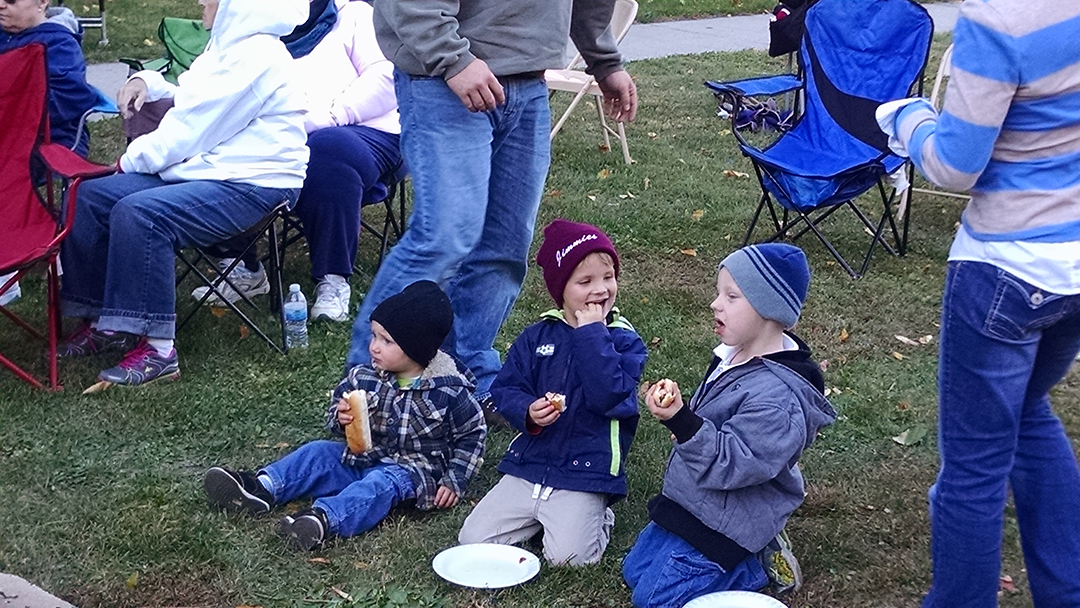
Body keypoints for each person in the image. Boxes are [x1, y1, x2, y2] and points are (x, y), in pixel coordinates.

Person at [875, 2, 1080, 605]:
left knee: (973, 470)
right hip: (1074, 266)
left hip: (1009, 273)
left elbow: (954, 166)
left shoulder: (999, 18)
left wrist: (907, 116)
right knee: (1027, 413)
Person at [344, 0, 639, 402]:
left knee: (504, 247)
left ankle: (464, 369)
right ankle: (367, 383)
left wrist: (604, 60)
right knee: (443, 239)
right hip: (445, 81)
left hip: (529, 84)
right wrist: (453, 59)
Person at [56, 0, 310, 386]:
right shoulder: (228, 46)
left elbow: (189, 131)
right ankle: (105, 323)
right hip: (212, 170)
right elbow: (191, 97)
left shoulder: (257, 57)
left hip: (256, 181)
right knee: (89, 196)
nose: (201, 2)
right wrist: (148, 81)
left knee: (142, 214)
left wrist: (129, 161)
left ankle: (160, 351)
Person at [621, 243, 836, 607]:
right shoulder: (735, 354)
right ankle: (737, 560)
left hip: (730, 520)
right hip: (693, 501)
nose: (715, 304)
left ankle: (752, 565)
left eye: (731, 296)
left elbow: (732, 463)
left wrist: (683, 421)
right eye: (719, 292)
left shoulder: (778, 401)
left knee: (653, 599)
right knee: (634, 571)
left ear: (769, 309)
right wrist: (682, 415)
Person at [203, 280, 487, 550]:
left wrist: (454, 479)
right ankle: (261, 488)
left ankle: (322, 520)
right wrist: (340, 418)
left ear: (417, 348)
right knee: (318, 452)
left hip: (410, 473)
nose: (374, 346)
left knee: (378, 485)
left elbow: (472, 435)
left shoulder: (449, 391)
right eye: (374, 335)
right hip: (361, 458)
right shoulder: (362, 377)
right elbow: (335, 415)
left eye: (386, 341)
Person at [191, 0, 401, 323]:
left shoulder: (353, 15)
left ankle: (333, 279)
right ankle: (240, 265)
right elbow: (204, 88)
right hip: (276, 136)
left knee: (328, 150)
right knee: (215, 145)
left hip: (364, 128)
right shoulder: (246, 24)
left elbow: (387, 77)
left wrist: (330, 115)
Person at [457, 219, 647, 566]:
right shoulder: (537, 337)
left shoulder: (623, 340)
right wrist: (528, 411)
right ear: (561, 290)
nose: (600, 290)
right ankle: (543, 515)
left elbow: (610, 395)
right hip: (530, 464)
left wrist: (593, 334)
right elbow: (506, 388)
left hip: (585, 469)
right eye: (585, 281)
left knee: (570, 558)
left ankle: (597, 516)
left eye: (608, 278)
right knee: (472, 539)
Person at [0, 0, 97, 157]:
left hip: (48, 139)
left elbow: (68, 100)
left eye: (11, 0)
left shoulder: (60, 44)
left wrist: (11, 107)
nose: (1, 4)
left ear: (43, 2)